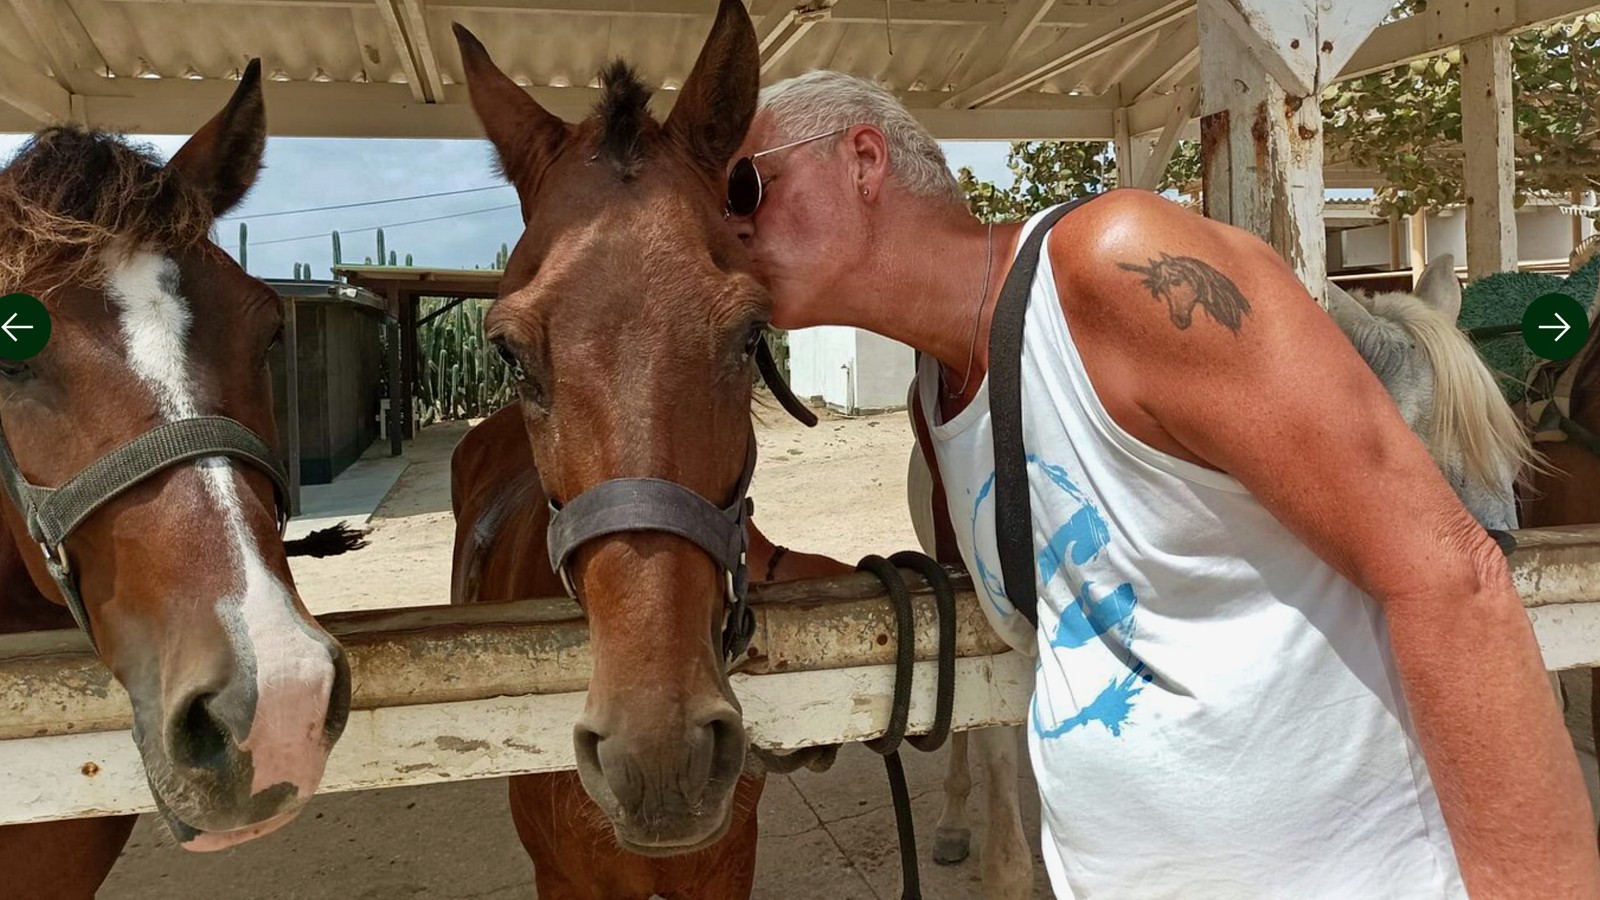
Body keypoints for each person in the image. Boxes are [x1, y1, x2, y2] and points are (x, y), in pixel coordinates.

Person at [724, 70, 1600, 899]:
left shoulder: (1117, 265)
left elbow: (1450, 577)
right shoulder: (939, 391)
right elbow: (1078, 617)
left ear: (863, 161)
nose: (726, 227)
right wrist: (744, 556)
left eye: (743, 188)